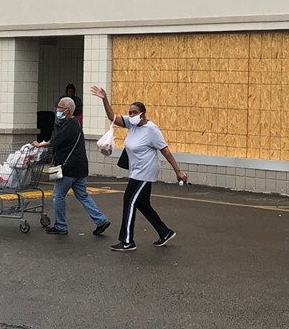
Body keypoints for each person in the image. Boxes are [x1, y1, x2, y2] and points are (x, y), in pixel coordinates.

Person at [90, 85, 187, 252]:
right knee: (142, 204)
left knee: (129, 201)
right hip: (136, 171)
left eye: (134, 112)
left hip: (145, 172)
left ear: (143, 114)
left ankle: (127, 241)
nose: (131, 115)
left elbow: (165, 150)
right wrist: (104, 99)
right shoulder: (132, 124)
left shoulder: (152, 130)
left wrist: (177, 171)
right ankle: (165, 232)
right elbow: (112, 116)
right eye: (130, 112)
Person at [33, 96, 111, 237]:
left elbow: (55, 141)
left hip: (68, 168)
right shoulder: (75, 124)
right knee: (83, 195)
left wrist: (40, 145)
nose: (57, 110)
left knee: (58, 195)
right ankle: (101, 220)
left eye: (60, 107)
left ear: (67, 111)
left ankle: (60, 226)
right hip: (80, 167)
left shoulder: (68, 125)